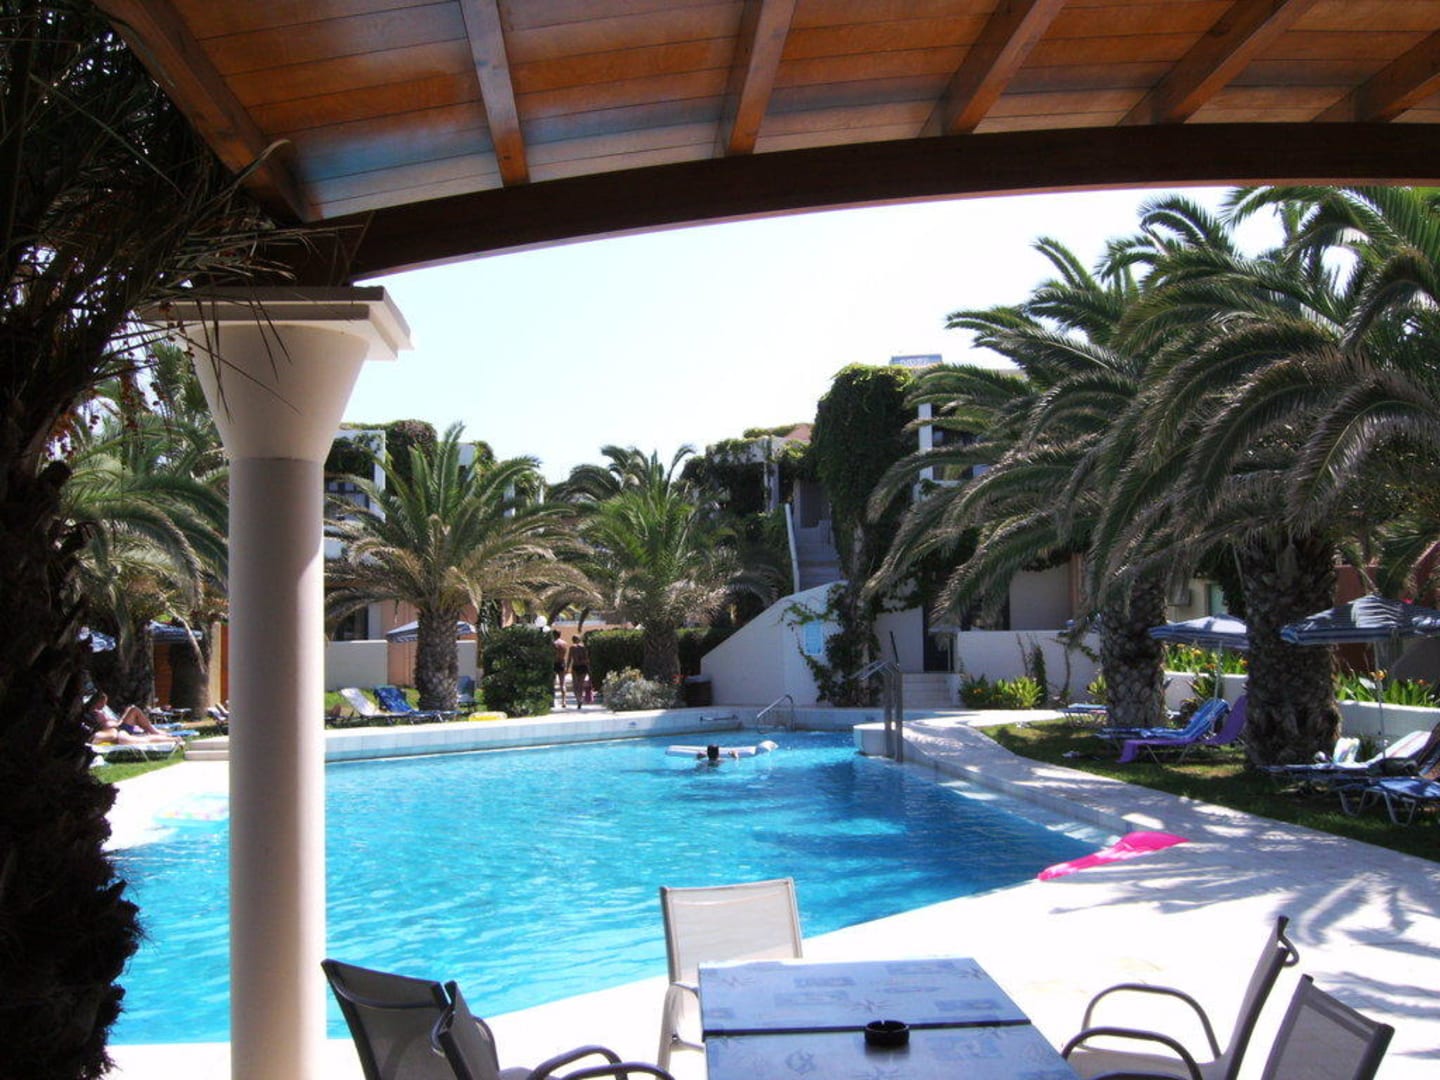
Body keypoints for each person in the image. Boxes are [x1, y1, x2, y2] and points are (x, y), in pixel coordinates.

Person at [86, 692, 181, 747]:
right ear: (98, 701)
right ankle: (169, 738)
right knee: (146, 738)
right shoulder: (95, 713)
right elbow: (105, 728)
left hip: (120, 731)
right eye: (103, 702)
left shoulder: (99, 713)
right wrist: (122, 718)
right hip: (120, 732)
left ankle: (166, 736)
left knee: (134, 710)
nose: (104, 705)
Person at [567, 633, 590, 710]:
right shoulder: (583, 647)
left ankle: (578, 699)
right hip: (583, 666)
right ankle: (580, 698)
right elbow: (587, 659)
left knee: (575, 685)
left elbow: (569, 659)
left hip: (575, 666)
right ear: (579, 640)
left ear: (573, 640)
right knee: (581, 684)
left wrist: (567, 668)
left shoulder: (572, 647)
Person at [551, 629, 568, 702]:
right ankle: (564, 701)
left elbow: (553, 654)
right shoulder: (564, 643)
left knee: (552, 683)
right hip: (562, 663)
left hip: (554, 663)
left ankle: (552, 700)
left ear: (554, 634)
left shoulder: (553, 643)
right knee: (562, 683)